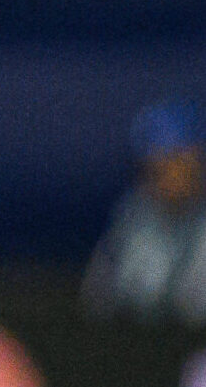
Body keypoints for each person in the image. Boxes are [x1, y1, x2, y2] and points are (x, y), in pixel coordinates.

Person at [84, 100, 206, 327]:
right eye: (161, 165)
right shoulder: (133, 218)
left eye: (180, 162)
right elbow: (101, 302)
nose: (173, 175)